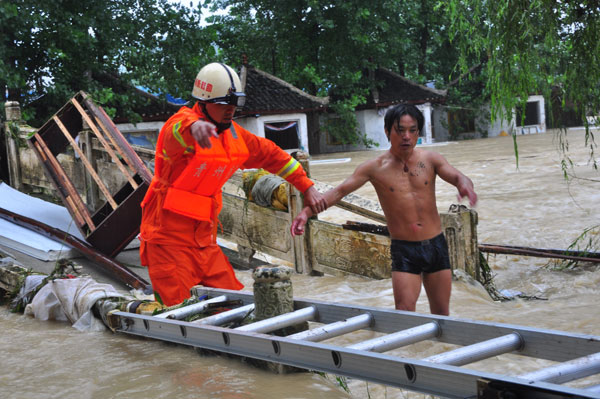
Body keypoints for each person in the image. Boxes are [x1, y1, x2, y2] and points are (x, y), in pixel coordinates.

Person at [140, 62, 327, 306]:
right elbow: (177, 129)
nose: (230, 110)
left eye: (234, 104)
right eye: (223, 104)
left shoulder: (234, 135)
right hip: (168, 242)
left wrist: (307, 186)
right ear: (204, 103)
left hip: (205, 244)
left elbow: (272, 155)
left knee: (239, 303)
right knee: (180, 312)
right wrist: (195, 126)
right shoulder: (182, 126)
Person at [291, 104, 477, 316]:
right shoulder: (374, 167)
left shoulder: (431, 160)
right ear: (388, 131)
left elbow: (457, 176)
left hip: (435, 245)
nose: (406, 136)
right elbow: (339, 192)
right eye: (400, 130)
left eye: (412, 130)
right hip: (405, 250)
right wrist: (306, 213)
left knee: (442, 314)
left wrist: (464, 185)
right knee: (404, 314)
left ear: (418, 132)